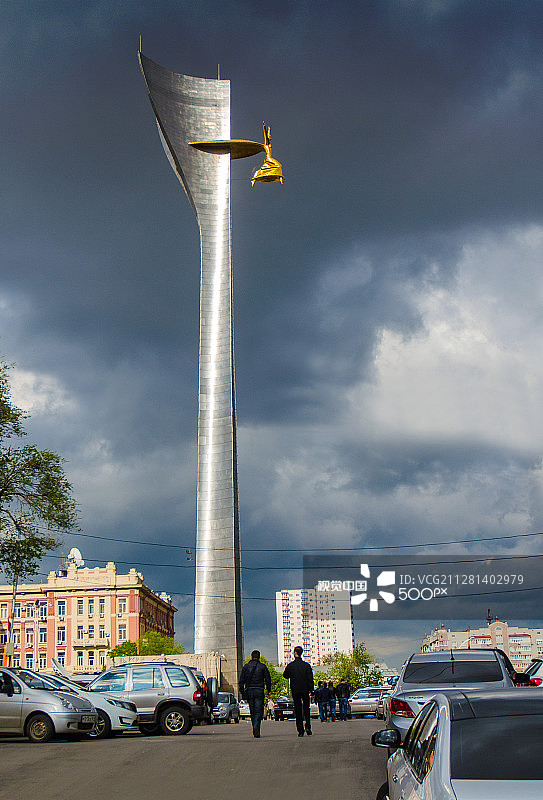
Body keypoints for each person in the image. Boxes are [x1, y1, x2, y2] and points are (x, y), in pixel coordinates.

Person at [282, 645, 314, 737]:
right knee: (306, 708)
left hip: (295, 690)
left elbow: (285, 675)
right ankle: (308, 726)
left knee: (298, 709)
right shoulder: (306, 666)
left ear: (295, 653)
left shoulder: (291, 666)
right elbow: (310, 679)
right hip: (305, 690)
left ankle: (300, 730)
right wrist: (312, 690)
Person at [239, 650, 271, 738]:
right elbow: (268, 679)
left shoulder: (246, 667)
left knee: (252, 710)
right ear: (259, 657)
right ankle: (256, 725)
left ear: (251, 656)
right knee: (258, 710)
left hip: (249, 690)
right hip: (259, 690)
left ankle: (254, 725)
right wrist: (268, 690)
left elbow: (241, 681)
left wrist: (242, 692)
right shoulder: (262, 667)